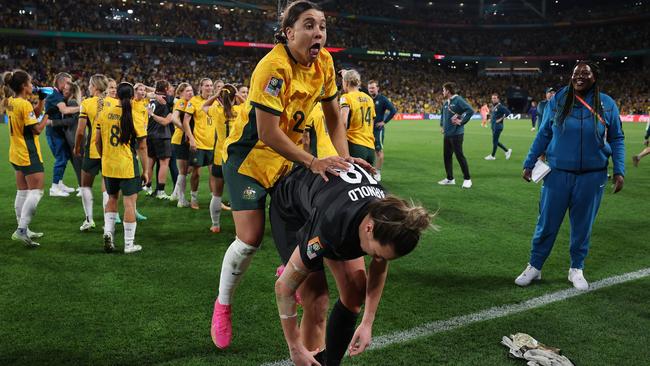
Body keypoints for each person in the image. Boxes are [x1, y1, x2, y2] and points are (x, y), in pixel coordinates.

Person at [211, 0, 371, 350]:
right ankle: (223, 304)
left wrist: (346, 162)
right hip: (250, 157)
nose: (319, 33)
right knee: (250, 238)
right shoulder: (272, 67)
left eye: (323, 26)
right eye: (310, 25)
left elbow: (333, 118)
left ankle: (289, 271)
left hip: (288, 156)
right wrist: (313, 162)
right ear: (289, 32)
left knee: (298, 220)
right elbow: (267, 133)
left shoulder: (325, 62)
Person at [272, 165, 432, 366]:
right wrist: (295, 347)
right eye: (376, 254)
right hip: (293, 208)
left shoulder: (389, 215)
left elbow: (380, 262)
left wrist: (367, 322)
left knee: (355, 290)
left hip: (334, 210)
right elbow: (283, 288)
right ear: (368, 228)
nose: (377, 259)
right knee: (316, 300)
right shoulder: (331, 226)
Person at [517, 61, 625, 290]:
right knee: (546, 224)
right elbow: (544, 133)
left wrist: (619, 170)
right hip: (557, 174)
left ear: (594, 77)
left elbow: (616, 139)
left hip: (592, 176)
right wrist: (529, 162)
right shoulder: (558, 100)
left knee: (582, 226)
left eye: (585, 73)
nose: (579, 77)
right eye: (576, 73)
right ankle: (534, 266)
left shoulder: (607, 104)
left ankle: (576, 269)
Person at [96, 82, 149, 254]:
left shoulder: (104, 112)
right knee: (129, 203)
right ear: (132, 96)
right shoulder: (134, 115)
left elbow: (97, 141)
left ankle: (108, 234)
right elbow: (142, 147)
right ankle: (128, 244)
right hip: (126, 165)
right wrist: (146, 170)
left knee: (111, 199)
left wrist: (105, 156)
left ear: (116, 95)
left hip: (108, 164)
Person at [5, 69, 49, 247]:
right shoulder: (23, 104)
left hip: (15, 152)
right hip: (28, 152)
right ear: (24, 86)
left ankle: (22, 227)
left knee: (22, 191)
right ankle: (21, 230)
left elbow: (30, 116)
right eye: (30, 83)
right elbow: (37, 129)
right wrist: (48, 115)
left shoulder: (9, 101)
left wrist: (42, 100)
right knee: (36, 191)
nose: (33, 85)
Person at [202, 84, 241, 233]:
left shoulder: (216, 110)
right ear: (233, 98)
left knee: (217, 194)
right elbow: (249, 104)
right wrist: (238, 95)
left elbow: (204, 106)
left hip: (219, 157)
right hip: (236, 158)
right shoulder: (238, 111)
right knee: (237, 195)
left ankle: (215, 225)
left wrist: (216, 95)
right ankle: (240, 227)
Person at [75, 74, 109, 231]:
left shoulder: (86, 103)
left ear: (95, 87)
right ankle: (108, 223)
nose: (88, 87)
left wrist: (76, 147)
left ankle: (89, 220)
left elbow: (81, 130)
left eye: (89, 84)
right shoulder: (114, 102)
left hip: (93, 149)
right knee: (107, 187)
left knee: (85, 186)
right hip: (109, 150)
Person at [44, 72, 80, 197]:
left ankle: (59, 183)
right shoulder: (55, 95)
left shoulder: (56, 94)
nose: (68, 85)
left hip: (58, 133)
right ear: (62, 82)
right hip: (53, 133)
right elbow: (64, 110)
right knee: (61, 158)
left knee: (63, 157)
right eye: (68, 82)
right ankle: (54, 187)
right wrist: (82, 108)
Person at [183, 78, 214, 210]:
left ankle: (216, 200)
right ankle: (194, 199)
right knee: (196, 174)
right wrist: (192, 139)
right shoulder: (194, 101)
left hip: (213, 144)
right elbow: (185, 122)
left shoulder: (215, 101)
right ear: (200, 87)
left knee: (215, 174)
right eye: (206, 85)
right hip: (199, 143)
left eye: (211, 86)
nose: (209, 88)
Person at [437, 82, 474, 189]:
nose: (442, 92)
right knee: (447, 156)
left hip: (457, 134)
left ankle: (467, 179)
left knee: (459, 156)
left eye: (443, 90)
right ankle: (450, 178)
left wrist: (461, 122)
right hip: (447, 134)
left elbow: (470, 111)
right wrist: (442, 126)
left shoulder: (458, 100)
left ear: (448, 91)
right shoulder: (446, 103)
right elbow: (442, 115)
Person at [340, 70, 376, 165]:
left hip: (355, 145)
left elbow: (343, 123)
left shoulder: (346, 97)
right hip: (370, 147)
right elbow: (372, 123)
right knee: (367, 179)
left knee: (351, 178)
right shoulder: (369, 99)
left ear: (346, 83)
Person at [145, 80, 174, 199]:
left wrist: (153, 91)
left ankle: (148, 186)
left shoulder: (152, 99)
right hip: (161, 135)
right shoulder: (167, 100)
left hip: (149, 134)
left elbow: (152, 92)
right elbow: (166, 121)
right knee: (164, 163)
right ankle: (161, 191)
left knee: (150, 162)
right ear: (166, 89)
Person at [169, 82, 194, 207]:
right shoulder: (182, 102)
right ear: (181, 93)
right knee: (184, 170)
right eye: (187, 91)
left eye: (191, 90)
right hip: (180, 140)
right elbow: (173, 118)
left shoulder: (188, 102)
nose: (190, 93)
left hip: (182, 140)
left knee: (186, 169)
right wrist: (185, 130)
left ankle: (175, 194)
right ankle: (181, 199)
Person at [367, 79, 396, 182]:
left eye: (373, 88)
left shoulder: (382, 99)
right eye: (369, 88)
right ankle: (368, 173)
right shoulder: (366, 98)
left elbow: (393, 110)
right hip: (366, 130)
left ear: (377, 88)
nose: (371, 90)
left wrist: (384, 122)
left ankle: (378, 172)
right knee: (369, 152)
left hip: (377, 130)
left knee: (379, 152)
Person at [484, 93, 512, 161]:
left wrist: (501, 119)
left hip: (498, 126)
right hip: (494, 126)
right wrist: (491, 119)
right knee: (495, 141)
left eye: (495, 98)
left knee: (495, 141)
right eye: (492, 98)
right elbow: (494, 115)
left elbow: (508, 112)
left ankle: (493, 156)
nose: (493, 99)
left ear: (498, 99)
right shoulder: (494, 106)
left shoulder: (500, 106)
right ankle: (507, 151)